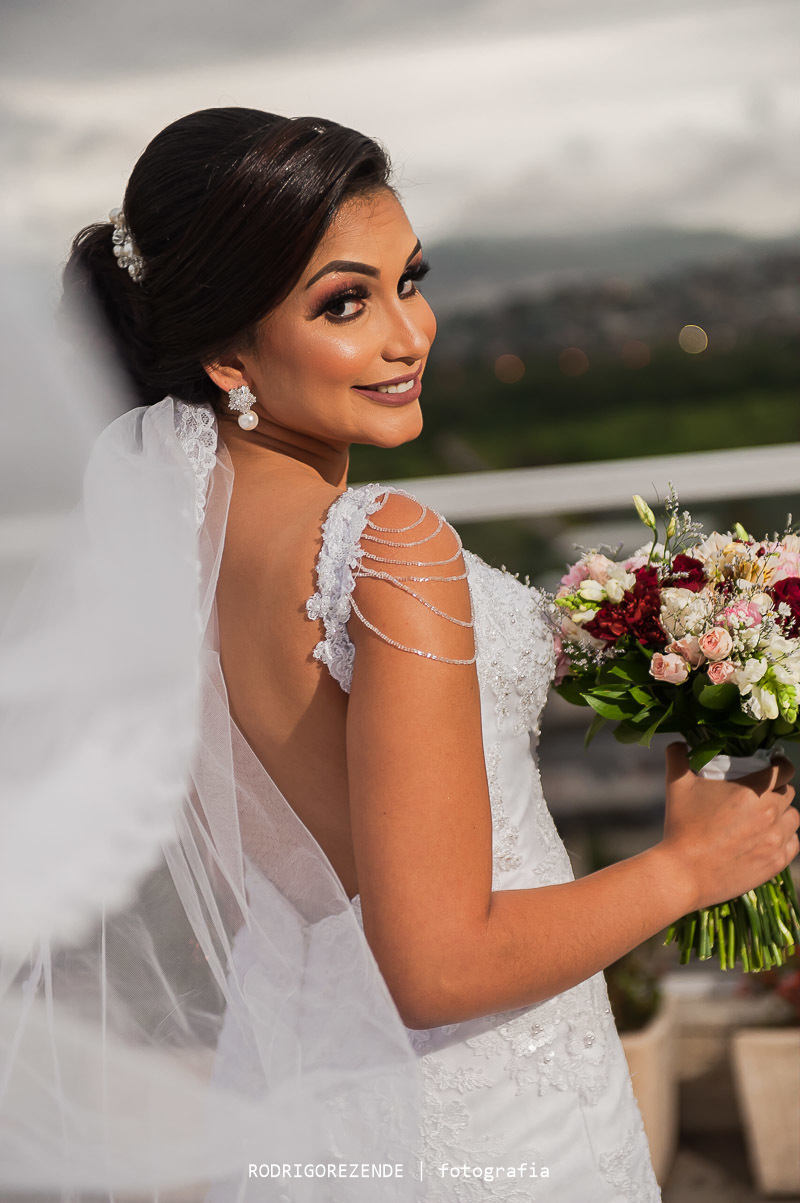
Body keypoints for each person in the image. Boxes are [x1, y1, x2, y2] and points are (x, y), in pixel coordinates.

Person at [2, 107, 796, 1203]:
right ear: (225, 350)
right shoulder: (386, 545)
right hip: (484, 1117)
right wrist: (687, 869)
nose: (406, 334)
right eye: (343, 303)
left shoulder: (177, 543)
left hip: (306, 1079)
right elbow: (437, 966)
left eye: (405, 281)